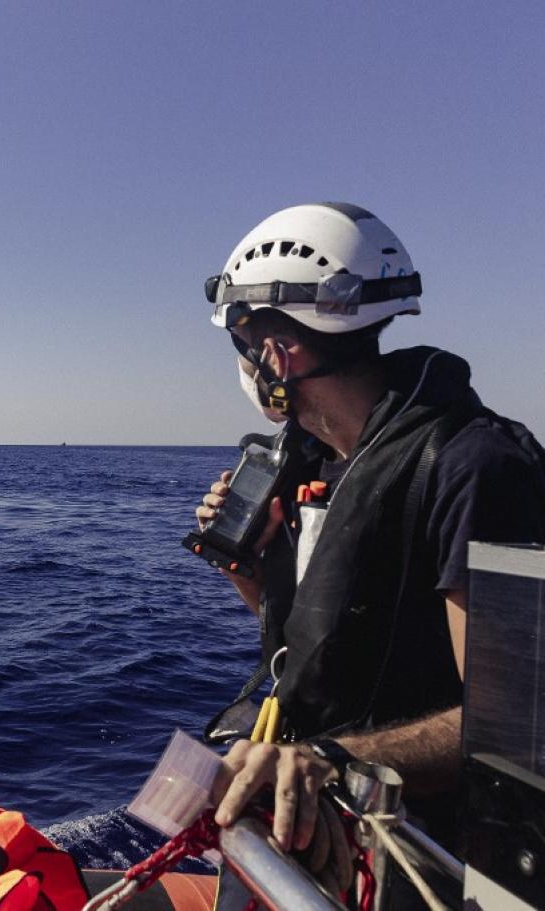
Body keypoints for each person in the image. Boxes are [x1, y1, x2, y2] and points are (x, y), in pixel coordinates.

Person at [194, 202, 545, 865]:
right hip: (320, 832)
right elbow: (318, 650)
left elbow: (518, 728)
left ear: (274, 354)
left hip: (424, 853)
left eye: (242, 346)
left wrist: (329, 760)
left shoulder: (480, 469)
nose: (244, 367)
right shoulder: (312, 463)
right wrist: (250, 570)